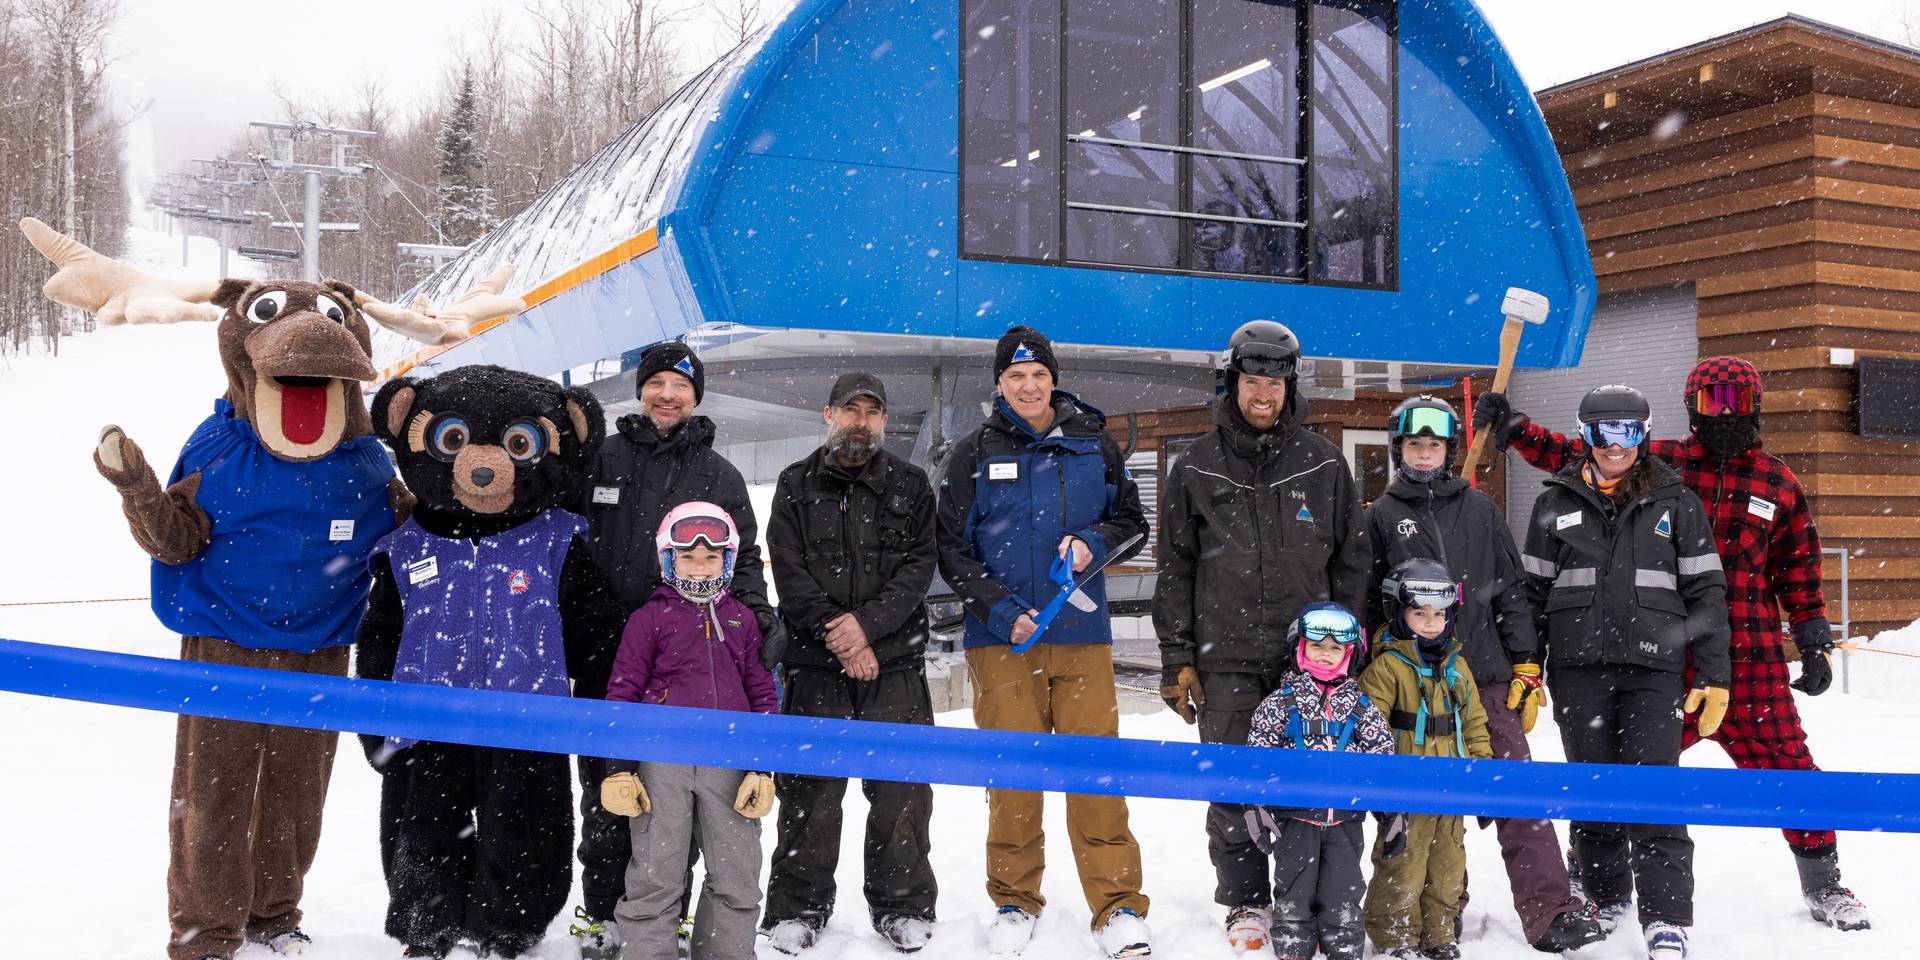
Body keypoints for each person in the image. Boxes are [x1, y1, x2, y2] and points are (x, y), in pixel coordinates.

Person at [1478, 359, 1868, 931]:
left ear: (1756, 407)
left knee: (1790, 769)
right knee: (1616, 775)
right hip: (1661, 660)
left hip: (1748, 660)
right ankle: (1596, 880)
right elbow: (1579, 457)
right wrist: (1516, 430)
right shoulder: (1663, 463)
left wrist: (1812, 637)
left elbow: (1800, 569)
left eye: (1737, 403)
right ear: (1691, 409)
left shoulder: (1778, 484)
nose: (1726, 415)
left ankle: (1824, 882)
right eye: (1713, 403)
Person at [935, 325, 1152, 959]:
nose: (1028, 386)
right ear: (999, 385)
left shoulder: (1094, 444)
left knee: (1096, 773)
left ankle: (1116, 907)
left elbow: (1133, 523)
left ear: (1052, 378)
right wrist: (1002, 613)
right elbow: (951, 548)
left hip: (1081, 634)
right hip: (1003, 642)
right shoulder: (972, 452)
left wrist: (1094, 543)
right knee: (1013, 776)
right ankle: (1013, 900)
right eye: (1014, 377)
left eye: (1037, 375)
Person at [1153, 319, 1370, 952]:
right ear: (1233, 382)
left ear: (1289, 385)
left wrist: (1345, 650)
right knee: (1234, 782)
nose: (1263, 395)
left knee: (1314, 786)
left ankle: (1305, 900)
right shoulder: (1196, 465)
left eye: (1274, 383)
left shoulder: (1324, 463)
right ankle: (1246, 901)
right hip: (1226, 659)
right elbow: (1176, 569)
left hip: (1312, 662)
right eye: (1252, 382)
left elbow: (1351, 564)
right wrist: (1178, 657)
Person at [1363, 396, 1603, 953]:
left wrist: (1524, 661)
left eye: (1435, 445)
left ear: (1450, 451)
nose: (1424, 455)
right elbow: (1371, 600)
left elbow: (1510, 592)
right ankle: (1439, 912)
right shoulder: (1378, 515)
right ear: (1399, 448)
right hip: (1415, 680)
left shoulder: (1481, 509)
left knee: (1518, 797)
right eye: (1414, 445)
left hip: (1486, 674)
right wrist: (1380, 659)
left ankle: (1550, 910)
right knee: (1425, 811)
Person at [571, 341, 787, 959]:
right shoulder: (602, 459)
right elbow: (575, 543)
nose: (668, 395)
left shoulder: (717, 473)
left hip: (697, 646)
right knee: (612, 785)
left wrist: (756, 616)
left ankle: (679, 918)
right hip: (610, 649)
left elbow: (740, 553)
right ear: (641, 390)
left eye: (681, 386)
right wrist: (581, 622)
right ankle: (607, 911)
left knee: (684, 800)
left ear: (696, 397)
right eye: (657, 383)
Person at [1519, 385, 1730, 960]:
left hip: (1653, 668)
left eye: (1628, 432)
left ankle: (1667, 918)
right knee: (1592, 788)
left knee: (1655, 788)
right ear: (1585, 435)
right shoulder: (1554, 502)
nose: (1616, 445)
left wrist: (1713, 675)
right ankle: (1607, 894)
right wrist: (1525, 668)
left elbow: (1707, 592)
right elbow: (1531, 595)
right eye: (1604, 432)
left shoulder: (1675, 501)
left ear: (1644, 434)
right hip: (1578, 666)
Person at [761, 373, 941, 954]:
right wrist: (840, 637)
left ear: (884, 421)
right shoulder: (793, 485)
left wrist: (866, 630)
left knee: (902, 795)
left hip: (894, 670)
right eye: (849, 410)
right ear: (828, 413)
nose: (860, 421)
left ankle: (902, 907)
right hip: (815, 668)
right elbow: (788, 573)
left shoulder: (912, 486)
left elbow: (917, 572)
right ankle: (798, 909)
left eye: (871, 412)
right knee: (810, 796)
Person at [599, 503, 779, 960]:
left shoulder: (742, 620)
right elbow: (622, 693)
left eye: (711, 558)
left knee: (737, 874)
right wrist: (619, 769)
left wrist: (762, 768)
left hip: (730, 764)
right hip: (662, 764)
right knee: (656, 874)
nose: (700, 568)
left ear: (729, 561)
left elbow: (762, 696)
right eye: (688, 558)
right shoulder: (649, 619)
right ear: (667, 560)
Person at [1242, 602, 1395, 960]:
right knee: (1294, 892)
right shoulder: (1280, 704)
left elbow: (1382, 756)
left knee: (1344, 892)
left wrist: (1392, 810)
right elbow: (1257, 756)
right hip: (1295, 822)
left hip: (1345, 821)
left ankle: (1344, 949)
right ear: (1300, 648)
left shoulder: (1360, 706)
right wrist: (1254, 803)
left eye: (1335, 649)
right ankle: (1293, 948)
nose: (1325, 655)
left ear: (1348, 654)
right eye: (1317, 647)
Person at [1357, 559, 1493, 960]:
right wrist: (1381, 785)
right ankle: (1395, 936)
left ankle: (1439, 932)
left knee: (1448, 864)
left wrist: (1481, 771)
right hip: (1404, 789)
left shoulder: (1457, 666)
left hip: (1450, 785)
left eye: (1439, 614)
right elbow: (1369, 726)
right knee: (1403, 862)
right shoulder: (1387, 667)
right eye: (1420, 613)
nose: (1431, 622)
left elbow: (1474, 721)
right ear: (1399, 614)